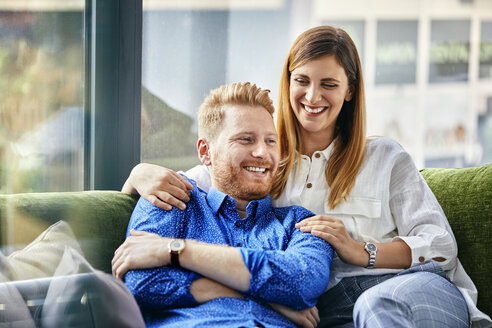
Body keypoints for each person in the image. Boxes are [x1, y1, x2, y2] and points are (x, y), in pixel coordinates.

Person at [122, 27, 492, 327]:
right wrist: (139, 173)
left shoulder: (384, 157)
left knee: (377, 307)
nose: (313, 96)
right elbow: (208, 175)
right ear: (288, 83)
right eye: (302, 80)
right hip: (327, 308)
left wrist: (361, 251)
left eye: (329, 84)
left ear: (349, 91)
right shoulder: (264, 161)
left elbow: (440, 247)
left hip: (405, 287)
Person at [112, 82, 334, 328]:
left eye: (270, 141)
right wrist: (268, 298)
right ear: (206, 152)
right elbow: (140, 284)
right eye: (246, 139)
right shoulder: (171, 196)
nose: (262, 151)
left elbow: (302, 284)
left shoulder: (300, 223)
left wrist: (177, 250)